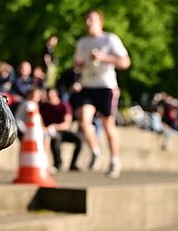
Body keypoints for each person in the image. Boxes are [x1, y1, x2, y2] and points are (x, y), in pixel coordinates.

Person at [73, 10, 130, 178]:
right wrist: (79, 65)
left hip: (106, 87)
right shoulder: (82, 42)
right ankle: (95, 151)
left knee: (107, 125)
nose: (88, 22)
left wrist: (104, 58)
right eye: (87, 19)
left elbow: (125, 62)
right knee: (84, 120)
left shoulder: (110, 39)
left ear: (100, 22)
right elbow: (76, 65)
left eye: (92, 19)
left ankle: (114, 160)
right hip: (87, 85)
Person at [40, 87, 83, 172]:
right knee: (55, 140)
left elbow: (66, 124)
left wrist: (54, 127)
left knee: (79, 140)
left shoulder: (64, 106)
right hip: (49, 133)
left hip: (62, 131)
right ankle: (57, 164)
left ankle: (73, 164)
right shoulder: (43, 107)